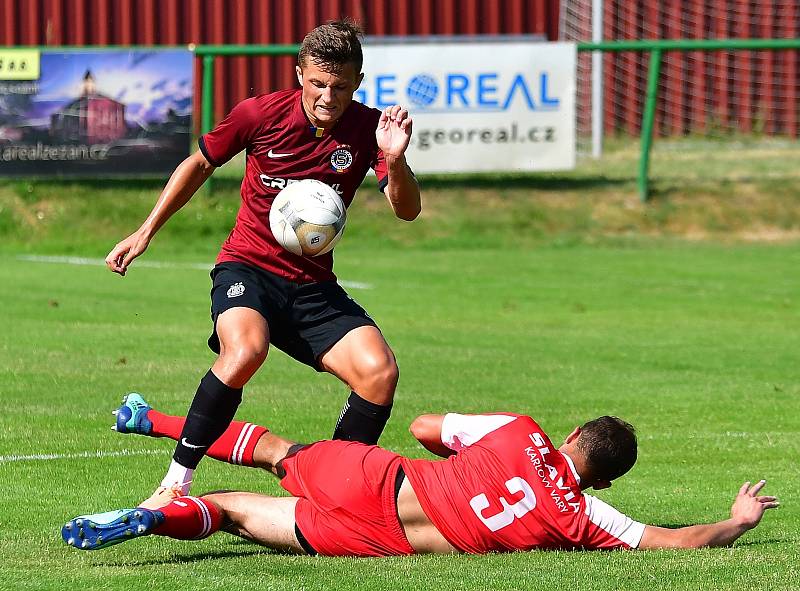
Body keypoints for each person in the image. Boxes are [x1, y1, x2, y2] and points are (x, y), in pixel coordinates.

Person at [104, 21, 421, 506]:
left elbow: (408, 210)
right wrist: (145, 230)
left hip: (312, 286)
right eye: (317, 83)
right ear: (300, 75)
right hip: (247, 269)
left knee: (379, 373)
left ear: (357, 82)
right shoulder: (261, 113)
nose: (327, 97)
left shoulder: (370, 130)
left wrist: (395, 159)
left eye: (339, 87)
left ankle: (336, 488)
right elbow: (199, 164)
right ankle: (175, 483)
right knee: (245, 351)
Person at [63, 395, 778, 555]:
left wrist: (467, 463)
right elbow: (677, 542)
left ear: (569, 436)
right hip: (383, 540)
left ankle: (151, 418)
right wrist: (736, 522)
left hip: (384, 479)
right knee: (238, 511)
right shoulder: (584, 518)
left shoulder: (521, 431)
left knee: (278, 452)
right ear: (605, 483)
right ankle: (156, 519)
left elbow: (424, 428)